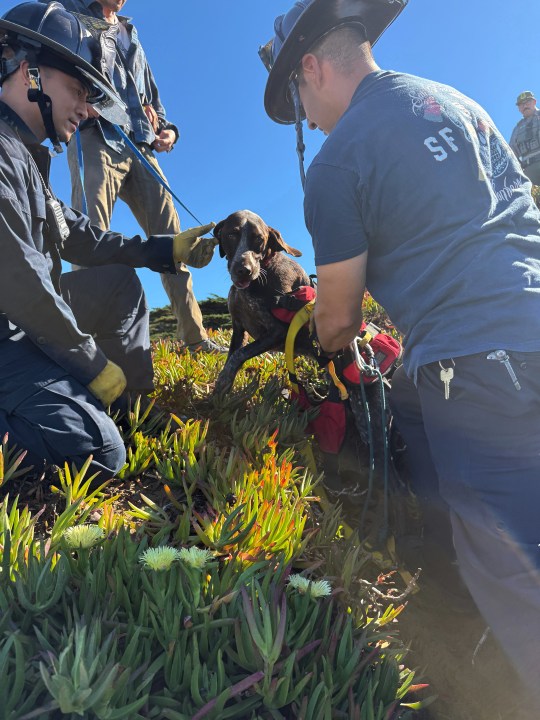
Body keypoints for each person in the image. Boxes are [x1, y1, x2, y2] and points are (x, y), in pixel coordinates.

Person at [261, 0, 540, 710]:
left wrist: (330, 334)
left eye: (298, 99)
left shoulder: (336, 163)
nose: (307, 118)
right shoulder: (458, 104)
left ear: (312, 68)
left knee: (518, 573)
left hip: (479, 371)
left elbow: (337, 320)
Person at [0, 1, 218, 478]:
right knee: (99, 453)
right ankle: (95, 422)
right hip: (6, 334)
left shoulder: (26, 158)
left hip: (18, 326)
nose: (86, 107)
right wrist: (90, 362)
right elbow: (19, 279)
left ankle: (129, 413)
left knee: (117, 282)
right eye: (77, 90)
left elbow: (78, 235)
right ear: (28, 73)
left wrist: (164, 248)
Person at [46, 0, 225, 354]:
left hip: (141, 147)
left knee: (174, 242)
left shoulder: (131, 32)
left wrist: (168, 130)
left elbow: (152, 96)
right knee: (89, 240)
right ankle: (87, 346)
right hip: (95, 137)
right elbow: (55, 63)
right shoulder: (66, 13)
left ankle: (195, 339)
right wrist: (81, 100)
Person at [509, 90, 540, 185]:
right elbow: (511, 153)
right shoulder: (517, 129)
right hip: (529, 172)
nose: (525, 106)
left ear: (534, 102)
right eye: (521, 104)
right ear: (519, 108)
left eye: (527, 102)